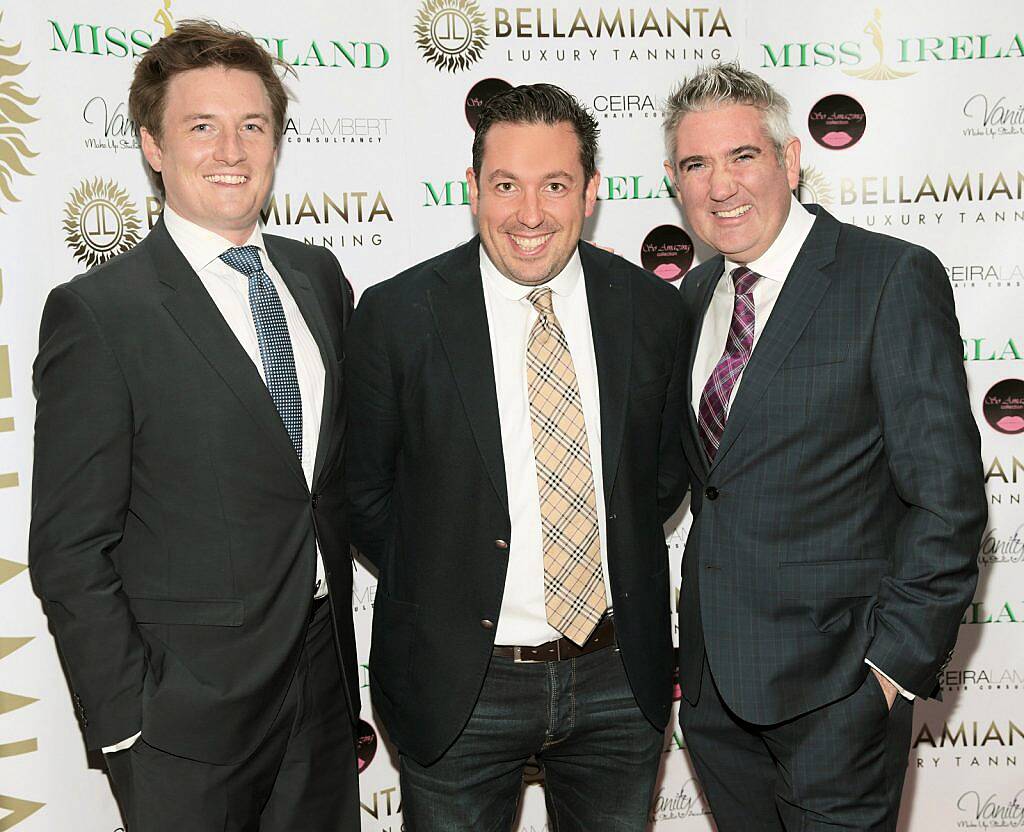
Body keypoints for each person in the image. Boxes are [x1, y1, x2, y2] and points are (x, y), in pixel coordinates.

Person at [29, 21, 359, 831]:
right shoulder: (100, 314)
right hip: (185, 723)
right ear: (152, 145)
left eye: (253, 126)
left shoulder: (317, 277)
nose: (231, 150)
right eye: (200, 127)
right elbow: (69, 547)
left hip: (321, 690)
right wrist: (127, 721)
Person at [346, 83, 688, 831]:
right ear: (472, 190)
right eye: (506, 185)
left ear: (592, 192)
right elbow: (364, 498)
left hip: (615, 676)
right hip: (460, 687)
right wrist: (447, 579)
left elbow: (660, 478)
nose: (529, 214)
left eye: (555, 185)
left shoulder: (653, 311)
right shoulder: (398, 316)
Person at [662, 62, 987, 831]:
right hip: (716, 701)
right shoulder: (694, 296)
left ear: (790, 159)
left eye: (742, 156)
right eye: (695, 165)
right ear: (674, 180)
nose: (720, 187)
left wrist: (888, 673)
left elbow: (948, 499)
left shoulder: (888, 277)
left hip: (838, 698)